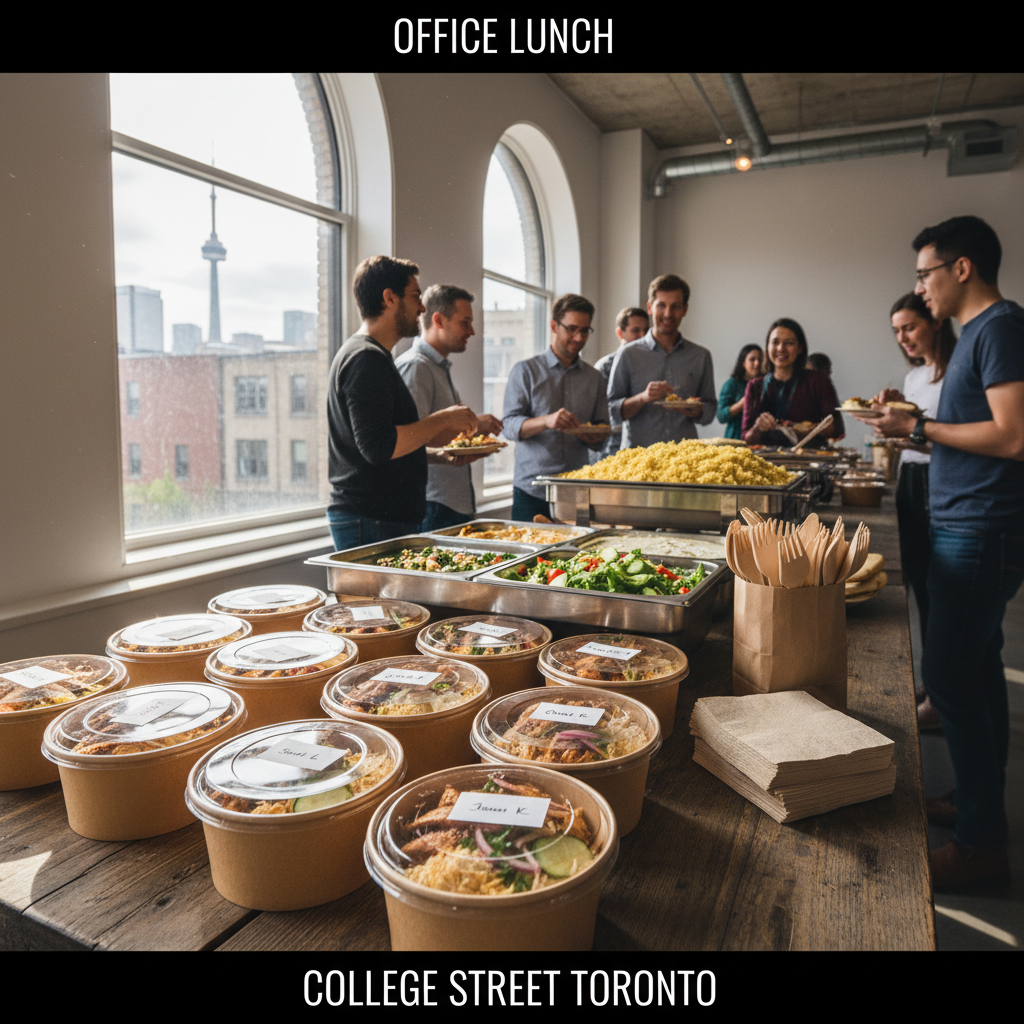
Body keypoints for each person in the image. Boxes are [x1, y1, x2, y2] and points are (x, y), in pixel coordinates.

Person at [870, 215, 1024, 892]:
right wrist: (913, 427)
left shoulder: (1000, 328)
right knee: (978, 672)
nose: (921, 287)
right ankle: (975, 805)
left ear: (961, 268)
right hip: (967, 521)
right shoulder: (978, 335)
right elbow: (968, 429)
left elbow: (1013, 435)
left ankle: (981, 845)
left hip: (982, 528)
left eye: (925, 274)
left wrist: (923, 425)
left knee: (949, 675)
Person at [326, 255, 477, 551]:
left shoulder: (373, 356)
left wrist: (438, 456)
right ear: (389, 298)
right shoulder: (365, 358)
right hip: (372, 520)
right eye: (415, 296)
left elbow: (384, 444)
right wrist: (445, 418)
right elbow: (378, 447)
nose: (422, 307)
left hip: (377, 519)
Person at [873, 293, 957, 731]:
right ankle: (935, 684)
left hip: (939, 482)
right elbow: (919, 435)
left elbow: (952, 440)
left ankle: (942, 699)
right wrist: (897, 415)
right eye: (896, 331)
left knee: (938, 590)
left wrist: (910, 429)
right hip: (910, 479)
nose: (903, 338)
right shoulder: (915, 375)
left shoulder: (957, 372)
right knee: (920, 585)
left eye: (909, 327)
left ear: (935, 322)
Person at [395, 283, 503, 532]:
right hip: (433, 504)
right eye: (465, 322)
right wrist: (474, 426)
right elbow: (409, 440)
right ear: (438, 320)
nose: (472, 331)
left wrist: (474, 431)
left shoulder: (436, 367)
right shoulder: (416, 367)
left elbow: (437, 432)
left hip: (449, 504)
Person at [502, 293, 611, 522]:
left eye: (585, 330)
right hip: (531, 490)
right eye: (571, 329)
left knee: (577, 547)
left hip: (576, 489)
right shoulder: (525, 371)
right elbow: (509, 426)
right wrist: (546, 421)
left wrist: (592, 435)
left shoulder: (595, 378)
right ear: (554, 326)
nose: (578, 337)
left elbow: (602, 434)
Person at [607, 274, 717, 450]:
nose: (668, 314)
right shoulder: (628, 354)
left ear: (685, 309)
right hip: (639, 458)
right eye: (661, 305)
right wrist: (643, 397)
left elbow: (710, 412)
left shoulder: (700, 356)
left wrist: (697, 410)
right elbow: (611, 411)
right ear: (649, 307)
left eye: (676, 306)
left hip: (684, 456)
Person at [741, 318, 844, 447]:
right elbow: (746, 438)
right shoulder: (755, 386)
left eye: (789, 343)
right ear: (767, 347)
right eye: (775, 342)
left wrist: (818, 429)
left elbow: (838, 429)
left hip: (810, 458)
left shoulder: (818, 381)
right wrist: (757, 428)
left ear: (800, 348)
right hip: (765, 459)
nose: (781, 348)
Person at [591, 306, 649, 462]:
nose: (642, 336)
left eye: (646, 330)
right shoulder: (605, 366)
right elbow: (600, 413)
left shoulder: (651, 366)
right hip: (610, 450)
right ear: (620, 333)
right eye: (635, 331)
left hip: (644, 449)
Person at [716, 344, 762, 439]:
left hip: (760, 440)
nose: (757, 363)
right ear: (743, 363)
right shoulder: (731, 384)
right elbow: (721, 416)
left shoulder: (765, 384)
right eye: (752, 359)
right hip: (735, 439)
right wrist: (742, 403)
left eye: (760, 360)